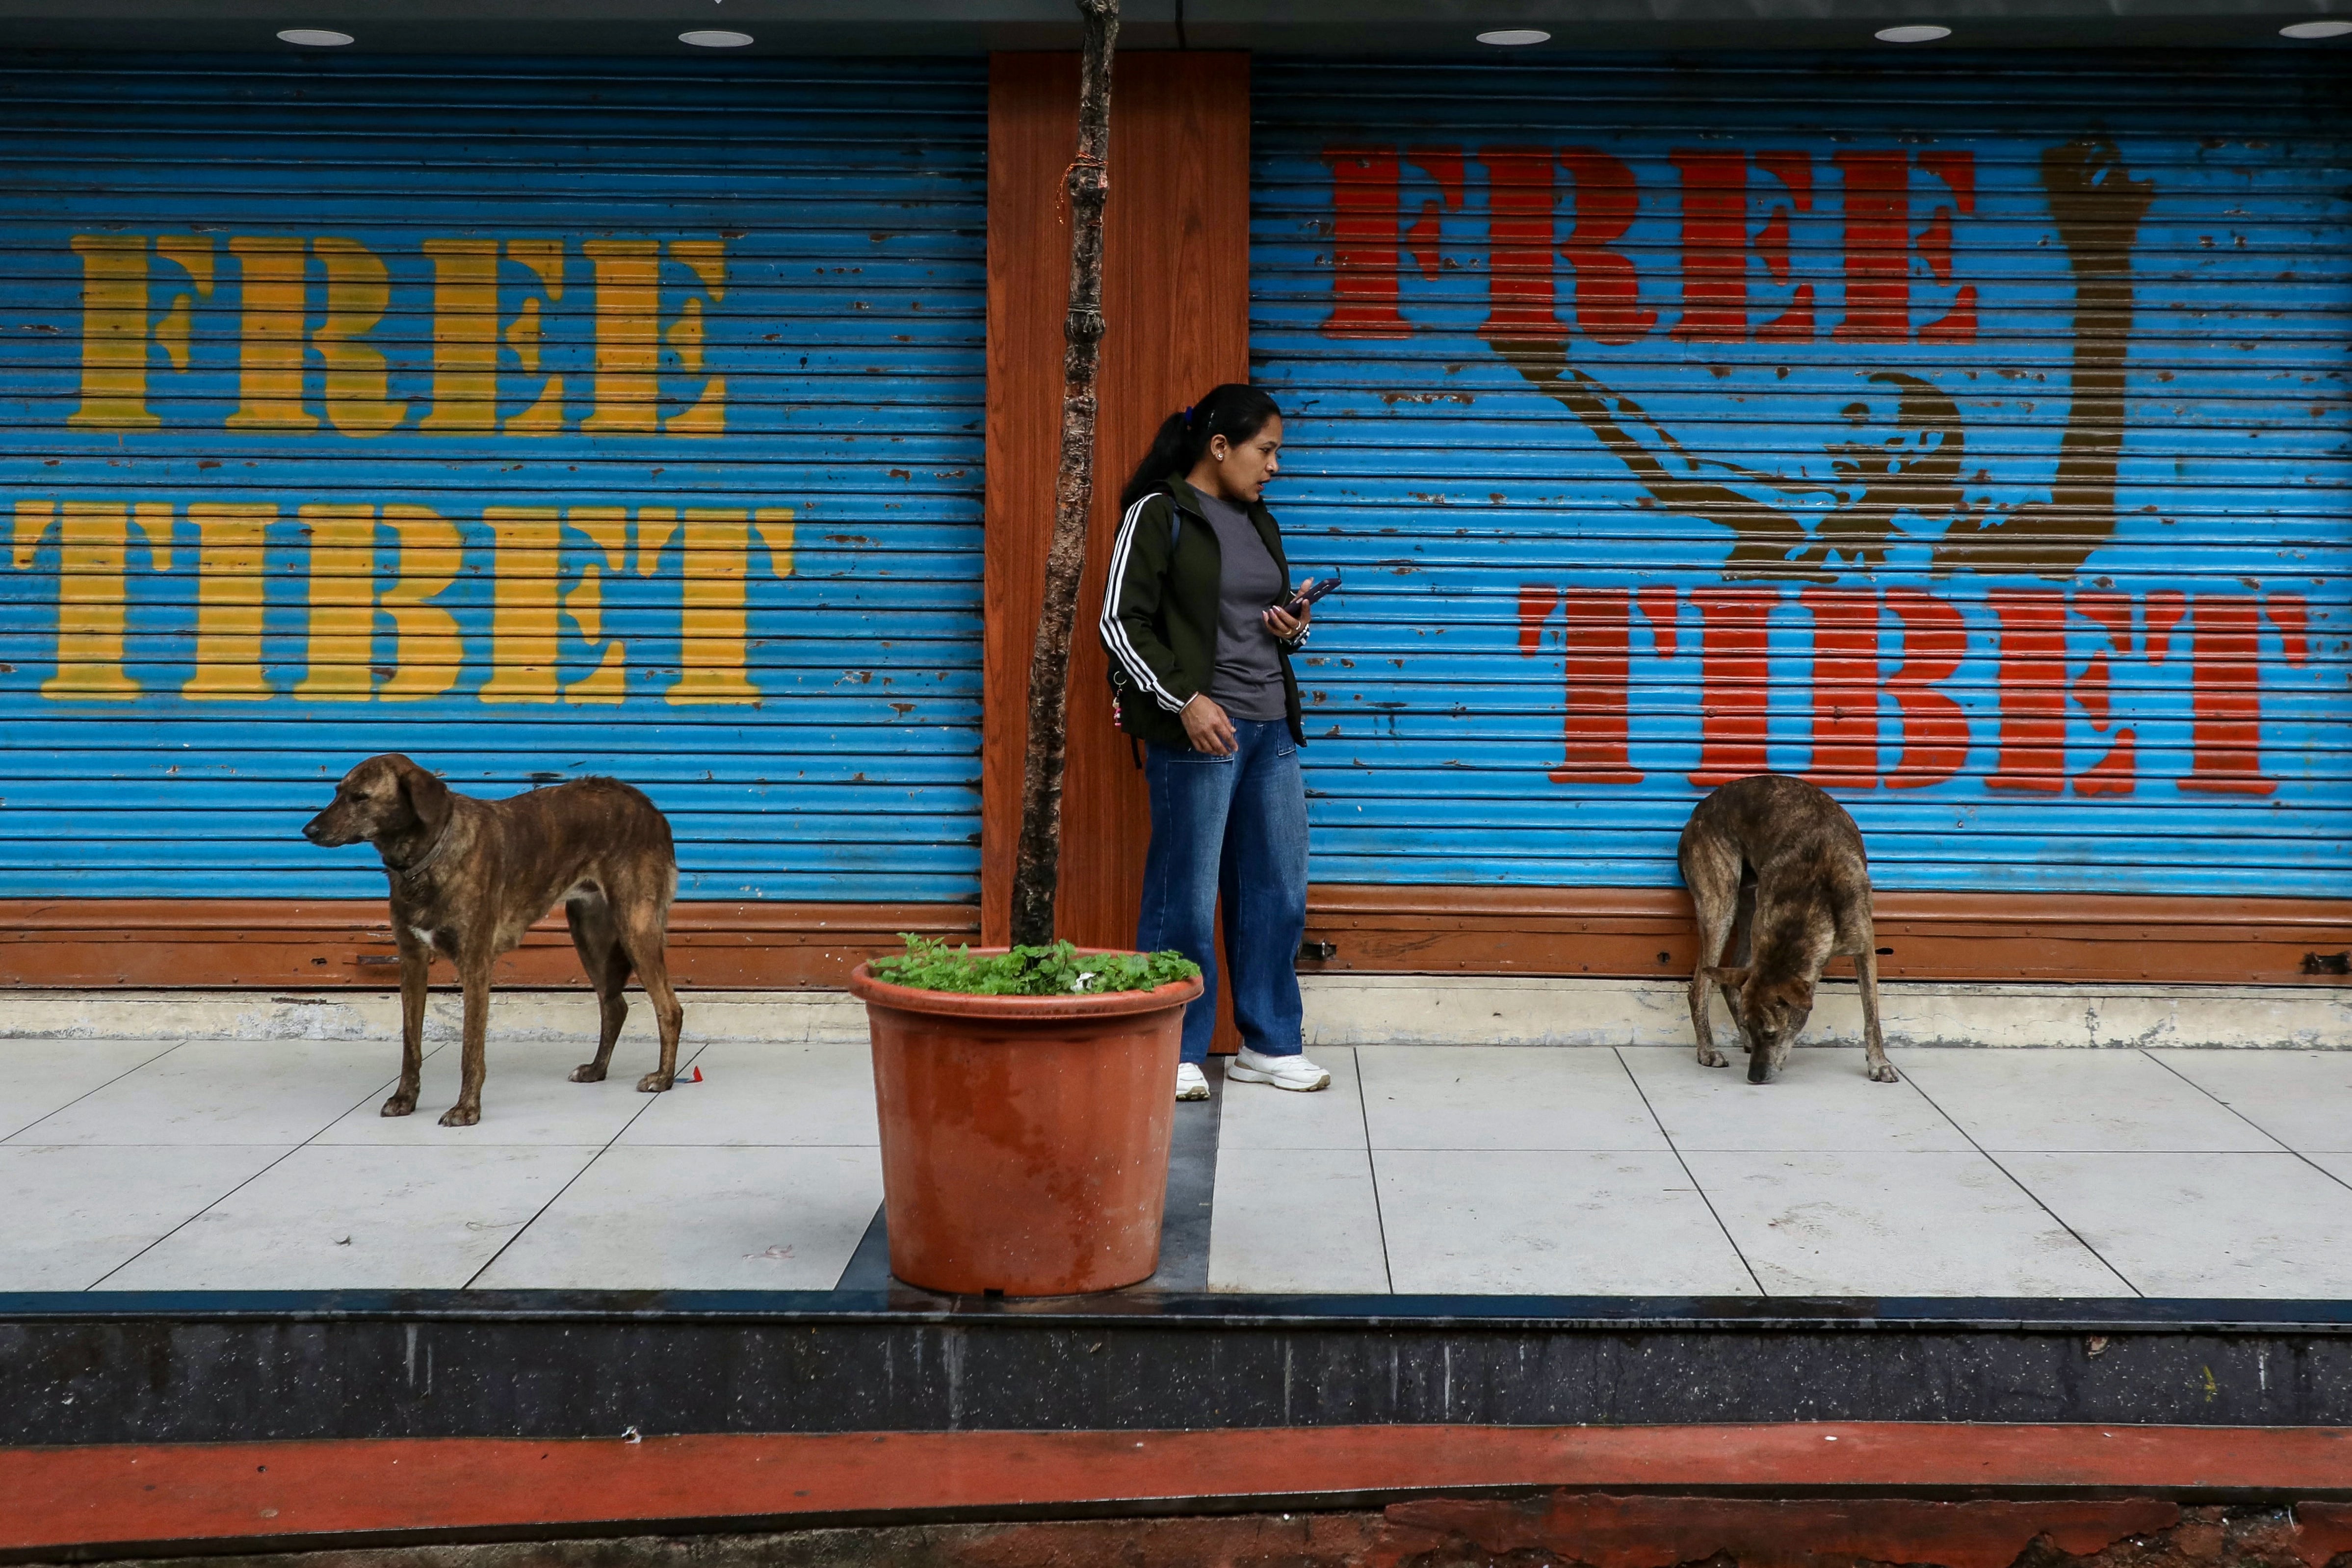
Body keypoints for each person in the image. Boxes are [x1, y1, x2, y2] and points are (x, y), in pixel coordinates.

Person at [1099, 383, 1332, 1102]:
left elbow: (1246, 614)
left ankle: (1268, 1043)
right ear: (1219, 446)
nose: (1274, 468)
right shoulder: (1159, 512)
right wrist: (1185, 700)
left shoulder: (1257, 520)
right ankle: (1172, 1045)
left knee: (1277, 893)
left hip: (1270, 728)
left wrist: (1289, 626)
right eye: (1266, 451)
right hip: (1200, 732)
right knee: (1185, 896)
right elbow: (1119, 621)